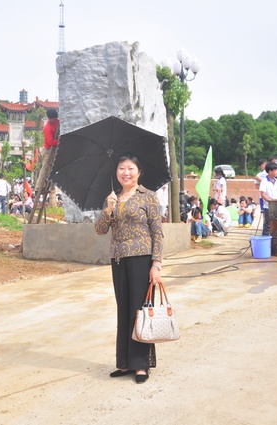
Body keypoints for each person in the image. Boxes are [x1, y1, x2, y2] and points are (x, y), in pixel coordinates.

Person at [95, 154, 162, 384]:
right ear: (116, 173)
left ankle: (140, 364)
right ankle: (124, 362)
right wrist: (108, 209)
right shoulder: (113, 198)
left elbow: (157, 232)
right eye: (121, 168)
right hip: (119, 260)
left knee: (139, 310)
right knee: (123, 310)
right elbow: (100, 230)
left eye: (130, 168)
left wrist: (156, 264)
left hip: (142, 259)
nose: (126, 172)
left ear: (138, 172)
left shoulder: (148, 196)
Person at [259, 162, 277, 236]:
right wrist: (270, 201)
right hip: (268, 206)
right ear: (270, 171)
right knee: (267, 224)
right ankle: (265, 238)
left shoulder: (276, 181)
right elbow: (263, 194)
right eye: (276, 170)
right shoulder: (264, 181)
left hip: (276, 206)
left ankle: (274, 238)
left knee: (275, 223)